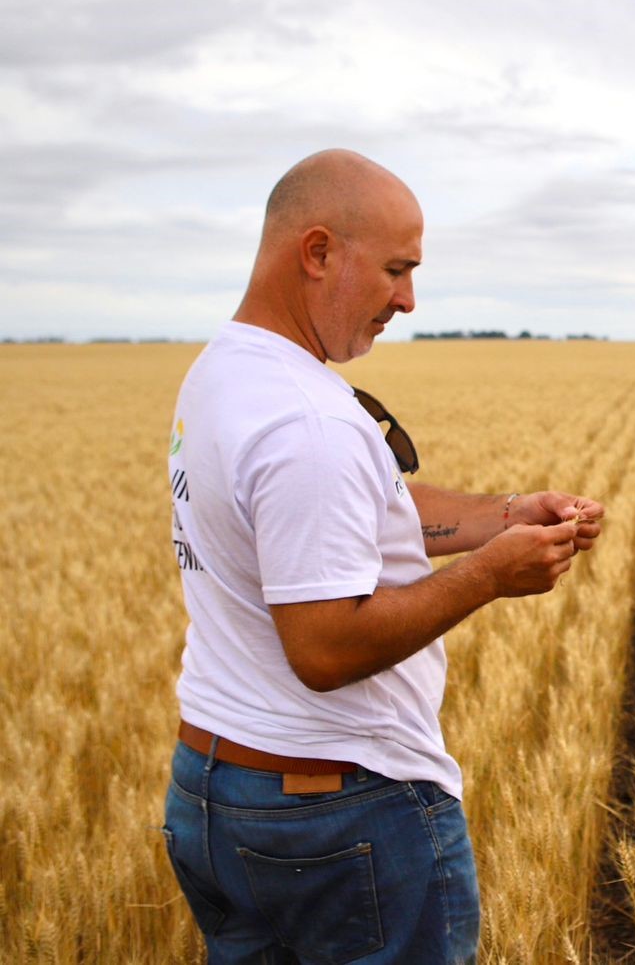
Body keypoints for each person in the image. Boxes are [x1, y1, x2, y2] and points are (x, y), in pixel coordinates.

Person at [161, 149, 604, 964]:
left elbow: (351, 514)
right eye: (397, 270)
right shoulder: (308, 420)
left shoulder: (227, 373)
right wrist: (491, 575)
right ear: (319, 251)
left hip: (213, 792)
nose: (407, 300)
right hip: (338, 813)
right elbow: (326, 650)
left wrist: (502, 515)